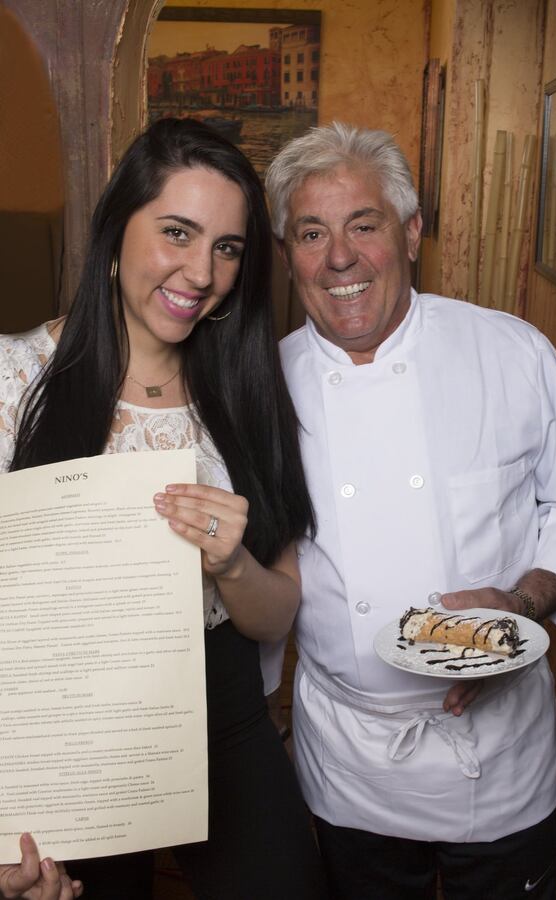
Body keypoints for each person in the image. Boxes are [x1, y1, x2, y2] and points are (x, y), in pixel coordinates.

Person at [263, 121, 556, 899]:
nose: (339, 257)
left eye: (364, 225)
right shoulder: (260, 388)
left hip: (499, 762)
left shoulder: (510, 354)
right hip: (347, 763)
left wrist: (519, 609)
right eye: (311, 233)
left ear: (411, 233)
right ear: (288, 256)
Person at [0, 117, 327, 900]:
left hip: (223, 710)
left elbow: (276, 615)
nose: (201, 271)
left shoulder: (250, 396)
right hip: (66, 723)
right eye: (176, 232)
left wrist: (233, 562)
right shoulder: (13, 383)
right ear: (116, 234)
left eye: (226, 247)